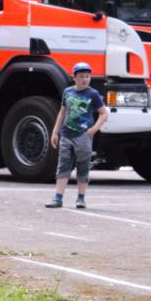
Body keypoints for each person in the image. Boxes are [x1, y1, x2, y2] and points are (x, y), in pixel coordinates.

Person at [46, 62, 109, 210]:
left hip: (83, 136)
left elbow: (104, 113)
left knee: (83, 167)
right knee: (63, 166)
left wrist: (94, 129)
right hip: (66, 135)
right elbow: (62, 112)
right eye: (81, 76)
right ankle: (58, 197)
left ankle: (81, 198)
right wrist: (55, 132)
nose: (85, 79)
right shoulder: (67, 92)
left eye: (87, 76)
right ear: (74, 78)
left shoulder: (93, 94)